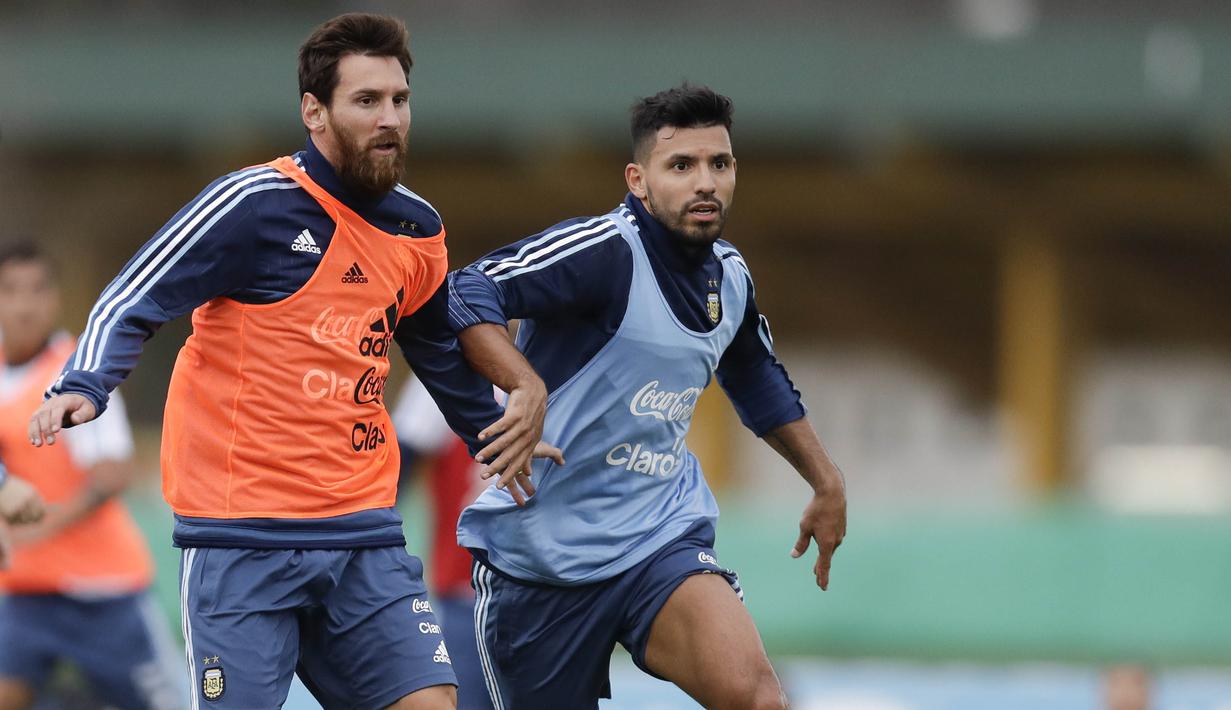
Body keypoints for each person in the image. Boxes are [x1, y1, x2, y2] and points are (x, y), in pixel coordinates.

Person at [28, 14, 554, 710]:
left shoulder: (417, 228)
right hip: (241, 542)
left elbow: (432, 345)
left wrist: (492, 434)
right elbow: (138, 292)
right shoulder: (253, 205)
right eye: (366, 101)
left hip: (363, 534)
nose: (389, 117)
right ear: (315, 111)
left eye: (398, 99)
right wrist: (85, 383)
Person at [447, 84, 848, 709]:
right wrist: (523, 385)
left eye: (719, 163)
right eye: (681, 166)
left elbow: (756, 376)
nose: (705, 182)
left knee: (759, 698)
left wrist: (826, 480)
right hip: (540, 563)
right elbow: (467, 291)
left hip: (656, 538)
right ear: (638, 179)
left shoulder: (731, 277)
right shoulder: (603, 254)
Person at [0, 242, 183, 709]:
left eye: (38, 290)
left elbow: (110, 474)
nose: (25, 305)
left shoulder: (76, 374)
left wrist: (35, 530)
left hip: (103, 592)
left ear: (56, 299)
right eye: (11, 290)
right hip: (25, 593)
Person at [391, 377, 493, 710]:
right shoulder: (445, 370)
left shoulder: (567, 362)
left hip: (546, 586)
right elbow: (396, 471)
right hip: (468, 587)